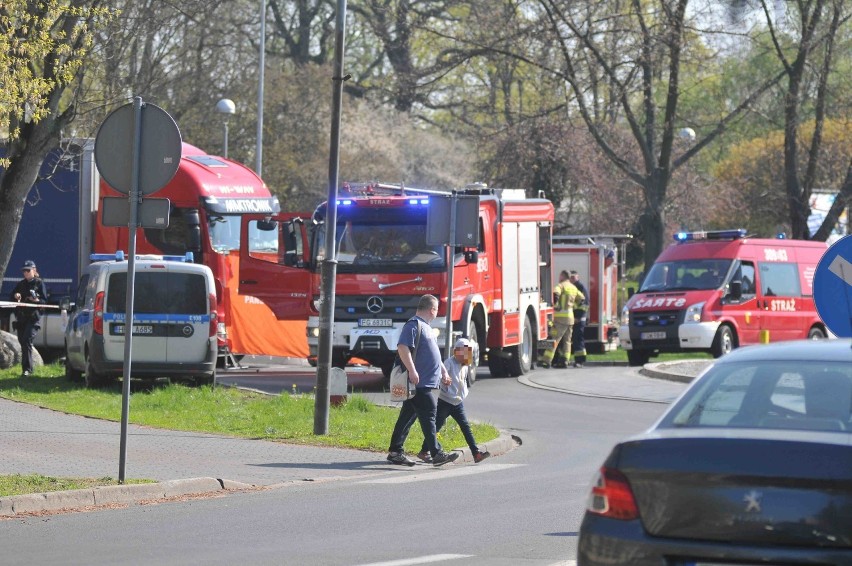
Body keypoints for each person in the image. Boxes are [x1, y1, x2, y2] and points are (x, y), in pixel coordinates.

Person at [386, 294, 460, 467]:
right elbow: (403, 348)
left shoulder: (426, 327)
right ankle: (436, 453)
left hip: (424, 382)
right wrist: (412, 370)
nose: (436, 313)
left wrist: (443, 372)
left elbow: (433, 354)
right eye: (436, 310)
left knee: (407, 417)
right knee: (429, 413)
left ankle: (395, 451)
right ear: (431, 309)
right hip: (418, 383)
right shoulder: (413, 325)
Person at [416, 338, 491, 464]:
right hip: (445, 401)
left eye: (469, 352)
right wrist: (444, 380)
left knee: (465, 426)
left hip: (457, 402)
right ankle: (424, 452)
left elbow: (463, 381)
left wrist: (463, 393)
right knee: (436, 426)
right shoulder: (449, 363)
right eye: (465, 352)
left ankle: (476, 453)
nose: (467, 356)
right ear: (457, 352)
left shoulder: (465, 365)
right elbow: (440, 375)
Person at [539, 270, 584, 369]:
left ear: (562, 276)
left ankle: (546, 361)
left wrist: (556, 305)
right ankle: (565, 361)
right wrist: (574, 306)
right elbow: (582, 299)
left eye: (560, 276)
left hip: (560, 318)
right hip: (570, 318)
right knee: (567, 341)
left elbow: (555, 294)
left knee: (554, 339)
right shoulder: (573, 287)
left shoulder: (560, 286)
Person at [10, 260, 47, 377]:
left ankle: (28, 370)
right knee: (23, 342)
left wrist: (37, 301)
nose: (25, 273)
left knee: (27, 340)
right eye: (24, 271)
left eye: (28, 270)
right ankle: (25, 369)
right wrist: (16, 295)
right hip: (21, 318)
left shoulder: (39, 283)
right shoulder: (21, 284)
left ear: (34, 270)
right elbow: (12, 296)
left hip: (33, 318)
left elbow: (45, 301)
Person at [568, 270, 589, 368]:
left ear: (578, 277)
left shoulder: (580, 287)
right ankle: (577, 360)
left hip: (579, 319)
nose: (572, 279)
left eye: (574, 277)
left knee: (578, 338)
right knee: (575, 339)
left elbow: (585, 304)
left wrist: (578, 317)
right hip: (573, 318)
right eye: (570, 277)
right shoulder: (571, 287)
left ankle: (580, 361)